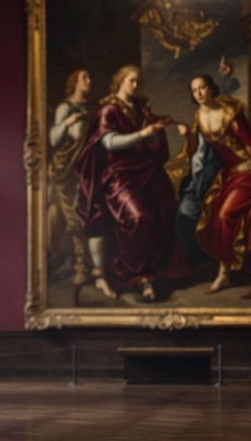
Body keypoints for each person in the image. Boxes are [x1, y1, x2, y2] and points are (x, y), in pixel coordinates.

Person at [73, 64, 187, 302]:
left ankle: (155, 274)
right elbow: (109, 143)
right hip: (118, 175)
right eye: (131, 81)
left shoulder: (140, 109)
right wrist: (143, 135)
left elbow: (153, 137)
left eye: (138, 82)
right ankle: (141, 278)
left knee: (164, 211)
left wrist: (159, 132)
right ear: (120, 81)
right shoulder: (108, 110)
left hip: (145, 171)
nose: (135, 86)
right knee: (138, 217)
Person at [178, 74, 251, 299]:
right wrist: (187, 136)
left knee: (224, 214)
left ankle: (225, 272)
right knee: (214, 210)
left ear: (211, 88)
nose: (199, 93)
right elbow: (194, 148)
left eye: (202, 88)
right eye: (194, 90)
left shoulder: (229, 112)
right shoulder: (199, 116)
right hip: (233, 173)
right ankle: (226, 270)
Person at [47, 69, 92, 285]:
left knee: (76, 213)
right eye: (85, 78)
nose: (89, 81)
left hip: (82, 168)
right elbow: (54, 139)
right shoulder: (66, 108)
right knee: (70, 215)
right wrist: (67, 122)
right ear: (74, 82)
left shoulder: (90, 109)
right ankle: (79, 265)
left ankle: (76, 263)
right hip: (65, 170)